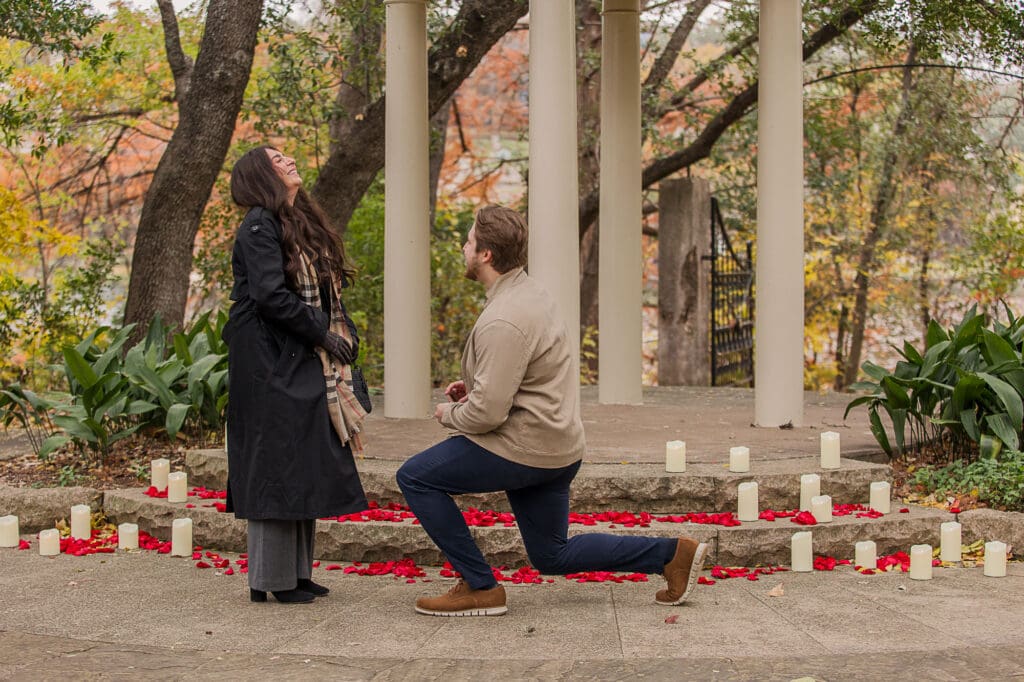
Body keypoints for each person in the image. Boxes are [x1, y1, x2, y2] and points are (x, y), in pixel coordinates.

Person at [397, 205, 708, 617]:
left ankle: (479, 586)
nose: (464, 247)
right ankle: (672, 555)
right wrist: (475, 388)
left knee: (416, 477)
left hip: (524, 447)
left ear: (486, 255)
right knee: (551, 555)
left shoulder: (505, 318)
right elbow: (525, 371)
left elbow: (488, 415)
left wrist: (449, 414)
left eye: (469, 241)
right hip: (556, 445)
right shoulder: (529, 292)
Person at [223, 145, 369, 604]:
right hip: (267, 361)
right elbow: (269, 296)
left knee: (301, 461)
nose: (287, 161)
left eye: (286, 155)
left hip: (292, 354)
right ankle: (272, 580)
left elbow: (322, 293)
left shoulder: (294, 222)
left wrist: (341, 332)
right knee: (275, 466)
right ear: (259, 176)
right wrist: (324, 335)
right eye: (276, 160)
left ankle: (297, 574)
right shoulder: (258, 226)